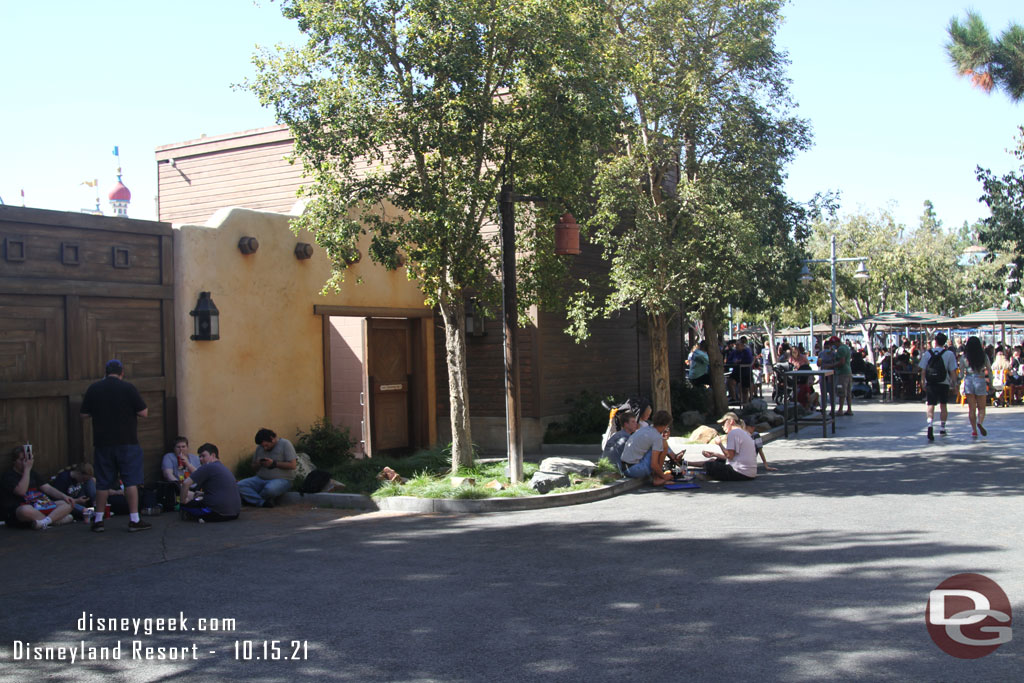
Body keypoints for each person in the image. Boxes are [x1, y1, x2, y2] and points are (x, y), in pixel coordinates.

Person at [79, 359, 150, 533]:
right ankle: (134, 519)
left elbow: (83, 414)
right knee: (131, 480)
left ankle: (99, 520)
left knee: (102, 482)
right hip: (127, 441)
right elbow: (144, 412)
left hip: (103, 442)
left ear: (105, 372)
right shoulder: (128, 388)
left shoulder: (94, 388)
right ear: (122, 373)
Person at [1, 445, 74, 530]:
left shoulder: (33, 473)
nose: (25, 462)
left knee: (67, 504)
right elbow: (21, 491)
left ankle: (44, 522)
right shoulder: (8, 476)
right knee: (24, 510)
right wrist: (27, 470)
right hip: (22, 509)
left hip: (40, 505)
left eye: (27, 459)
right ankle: (55, 520)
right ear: (14, 461)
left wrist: (64, 496)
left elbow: (47, 488)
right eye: (21, 460)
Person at [179, 443, 241, 522]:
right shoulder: (222, 467)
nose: (201, 459)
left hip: (218, 513)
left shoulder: (208, 466)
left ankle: (197, 516)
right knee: (195, 496)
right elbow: (198, 473)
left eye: (203, 456)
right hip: (234, 513)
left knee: (186, 505)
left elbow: (185, 484)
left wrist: (183, 502)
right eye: (200, 456)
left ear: (213, 455)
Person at [237, 428, 297, 507]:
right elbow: (253, 467)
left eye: (266, 445)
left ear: (272, 439)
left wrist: (274, 463)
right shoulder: (259, 448)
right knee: (240, 485)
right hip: (260, 478)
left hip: (282, 480)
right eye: (263, 446)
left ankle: (252, 500)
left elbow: (293, 465)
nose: (265, 448)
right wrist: (259, 464)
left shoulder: (285, 444)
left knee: (270, 489)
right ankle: (262, 502)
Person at [619, 410, 677, 487]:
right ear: (665, 425)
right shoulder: (656, 437)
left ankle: (657, 476)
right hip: (634, 470)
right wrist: (664, 476)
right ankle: (657, 478)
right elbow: (654, 464)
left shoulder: (646, 429)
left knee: (660, 444)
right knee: (664, 444)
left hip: (624, 467)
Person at [919, 333, 959, 441]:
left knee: (930, 404)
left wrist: (922, 382)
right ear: (945, 342)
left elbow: (923, 370)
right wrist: (955, 384)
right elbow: (952, 371)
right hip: (944, 382)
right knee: (943, 405)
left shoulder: (928, 353)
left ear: (935, 341)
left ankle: (930, 425)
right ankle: (942, 427)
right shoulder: (949, 354)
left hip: (931, 383)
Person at [700, 412, 757, 481]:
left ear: (731, 421)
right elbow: (734, 456)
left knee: (709, 465)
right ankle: (712, 476)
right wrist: (715, 454)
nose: (722, 426)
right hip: (751, 473)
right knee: (719, 460)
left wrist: (720, 444)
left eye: (723, 423)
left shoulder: (733, 433)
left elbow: (729, 456)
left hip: (740, 473)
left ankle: (711, 477)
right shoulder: (745, 432)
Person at [960, 336, 992, 438]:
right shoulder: (983, 356)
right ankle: (980, 422)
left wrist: (958, 382)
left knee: (971, 408)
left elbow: (961, 373)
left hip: (969, 380)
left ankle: (974, 430)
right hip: (980, 379)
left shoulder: (964, 357)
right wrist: (991, 382)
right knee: (982, 407)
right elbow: (989, 369)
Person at [834, 337, 854, 415]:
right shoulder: (846, 347)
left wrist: (831, 365)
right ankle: (849, 409)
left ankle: (840, 410)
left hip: (842, 373)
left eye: (833, 344)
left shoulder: (841, 349)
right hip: (848, 372)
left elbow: (841, 362)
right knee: (848, 392)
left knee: (841, 391)